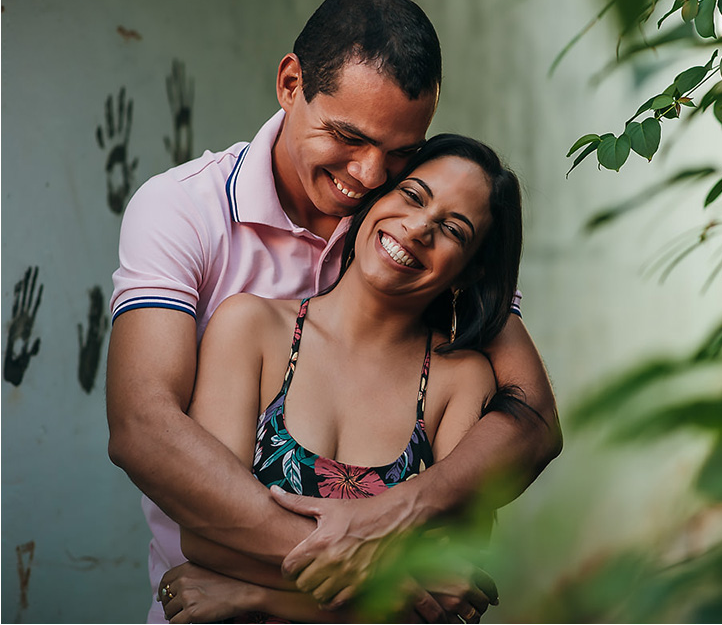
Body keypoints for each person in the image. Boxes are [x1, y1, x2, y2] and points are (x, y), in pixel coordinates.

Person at [105, 0, 561, 623]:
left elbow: (534, 418)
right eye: (348, 136)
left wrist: (401, 510)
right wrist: (388, 577)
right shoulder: (185, 210)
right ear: (291, 83)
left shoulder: (395, 225)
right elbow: (142, 429)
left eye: (401, 152)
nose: (371, 173)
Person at [156, 134, 524, 623]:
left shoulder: (461, 380)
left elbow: (449, 594)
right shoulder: (252, 329)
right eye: (412, 196)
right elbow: (205, 533)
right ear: (376, 199)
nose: (416, 228)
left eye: (453, 229)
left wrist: (260, 596)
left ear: (469, 272)